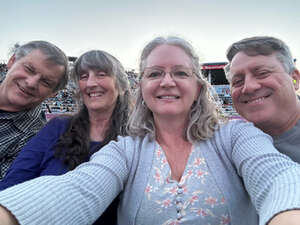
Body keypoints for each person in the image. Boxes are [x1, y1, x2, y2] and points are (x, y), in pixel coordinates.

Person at [1, 36, 300, 225]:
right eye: (155, 73)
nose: (167, 81)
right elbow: (79, 189)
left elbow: (277, 176)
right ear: (141, 86)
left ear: (198, 86)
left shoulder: (237, 136)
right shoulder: (125, 149)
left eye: (180, 73)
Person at [0, 50, 132, 224]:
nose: (90, 83)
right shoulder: (56, 128)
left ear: (122, 86)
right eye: (83, 77)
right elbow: (14, 181)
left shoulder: (136, 140)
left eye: (101, 74)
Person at [224, 36, 300, 162]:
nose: (248, 87)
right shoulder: (226, 147)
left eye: (263, 73)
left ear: (294, 79)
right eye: (237, 81)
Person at [0, 40, 69, 180]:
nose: (31, 83)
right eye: (29, 69)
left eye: (45, 82)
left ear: (54, 93)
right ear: (12, 61)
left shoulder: (36, 140)